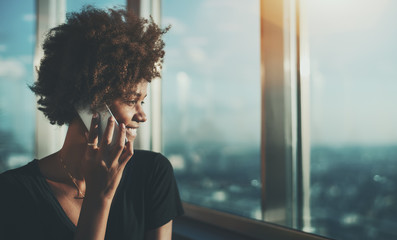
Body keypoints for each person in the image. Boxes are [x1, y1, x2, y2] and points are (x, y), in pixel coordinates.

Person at [0, 6, 183, 240]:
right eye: (131, 100)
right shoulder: (13, 192)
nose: (142, 116)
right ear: (88, 102)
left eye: (143, 102)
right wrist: (99, 197)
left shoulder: (153, 173)